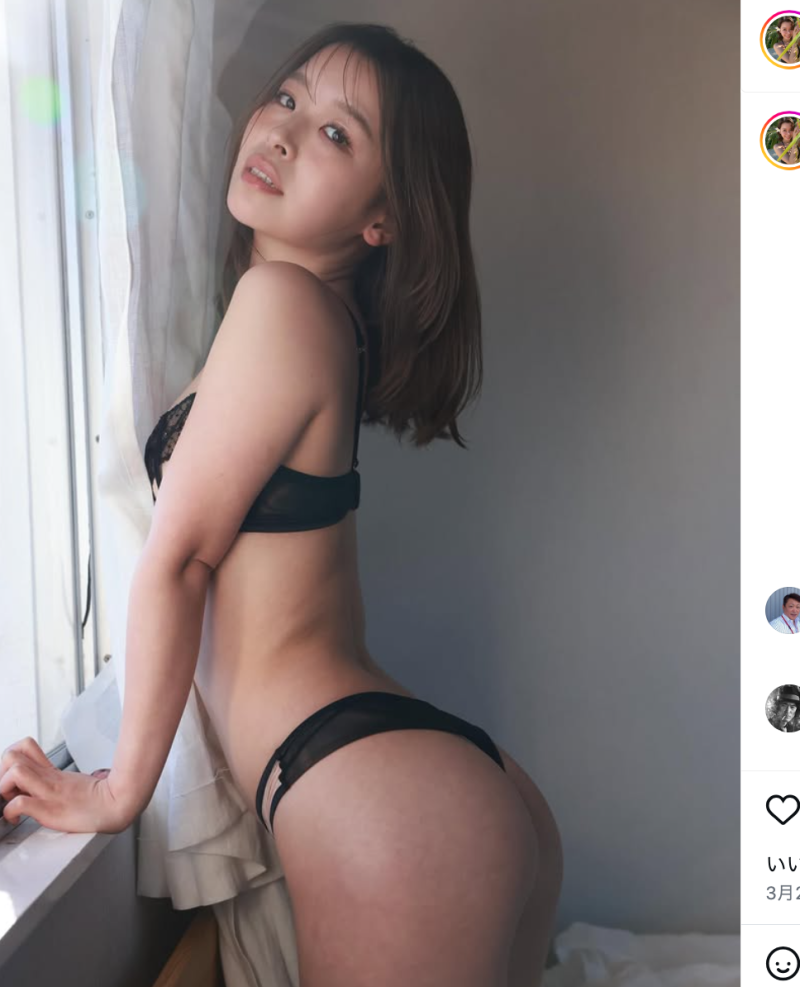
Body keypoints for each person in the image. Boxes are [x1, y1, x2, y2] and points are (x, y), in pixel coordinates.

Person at [0, 22, 562, 987]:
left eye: (338, 133)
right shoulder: (307, 319)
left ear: (384, 218)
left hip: (374, 791)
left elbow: (180, 559)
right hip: (398, 779)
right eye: (287, 98)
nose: (284, 132)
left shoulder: (285, 304)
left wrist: (119, 789)